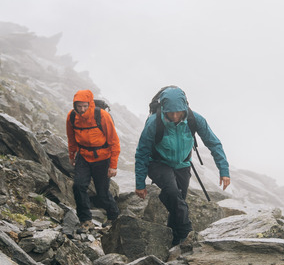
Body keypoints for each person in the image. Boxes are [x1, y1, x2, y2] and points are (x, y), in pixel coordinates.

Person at [135, 86, 230, 245]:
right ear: (163, 108)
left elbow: (214, 144)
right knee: (173, 193)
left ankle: (175, 240)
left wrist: (224, 171)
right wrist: (140, 183)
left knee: (178, 201)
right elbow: (142, 152)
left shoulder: (195, 119)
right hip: (158, 163)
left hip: (183, 164)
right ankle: (187, 232)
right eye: (170, 112)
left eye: (178, 112)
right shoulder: (154, 122)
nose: (174, 116)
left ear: (185, 107)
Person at [66, 89, 120, 231]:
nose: (82, 109)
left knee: (102, 192)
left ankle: (113, 216)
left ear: (90, 104)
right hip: (83, 156)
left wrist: (113, 165)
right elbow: (71, 139)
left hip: (103, 158)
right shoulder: (71, 117)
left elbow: (114, 142)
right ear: (75, 105)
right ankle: (85, 220)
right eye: (79, 106)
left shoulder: (102, 116)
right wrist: (72, 155)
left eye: (85, 106)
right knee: (78, 186)